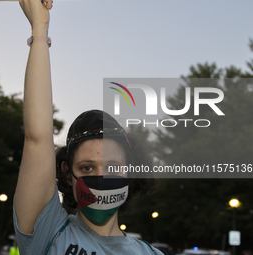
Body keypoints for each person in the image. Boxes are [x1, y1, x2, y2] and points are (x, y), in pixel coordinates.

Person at [13, 0, 162, 254]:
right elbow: (37, 138)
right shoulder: (49, 233)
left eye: (113, 167)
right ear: (67, 173)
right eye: (87, 167)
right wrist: (40, 30)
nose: (101, 178)